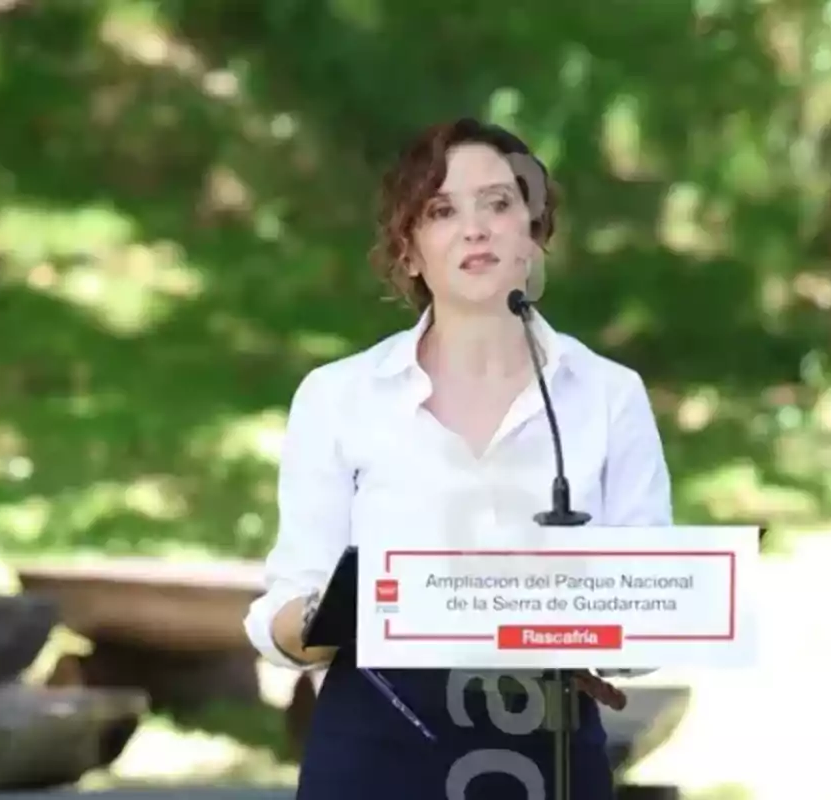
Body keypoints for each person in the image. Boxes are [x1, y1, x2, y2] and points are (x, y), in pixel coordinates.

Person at [244, 118, 673, 800]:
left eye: (499, 203)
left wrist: (599, 631)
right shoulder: (337, 398)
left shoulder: (609, 397)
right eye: (441, 210)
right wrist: (334, 614)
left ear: (535, 233)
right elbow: (282, 617)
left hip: (548, 754)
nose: (475, 228)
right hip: (375, 754)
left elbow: (652, 620)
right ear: (409, 251)